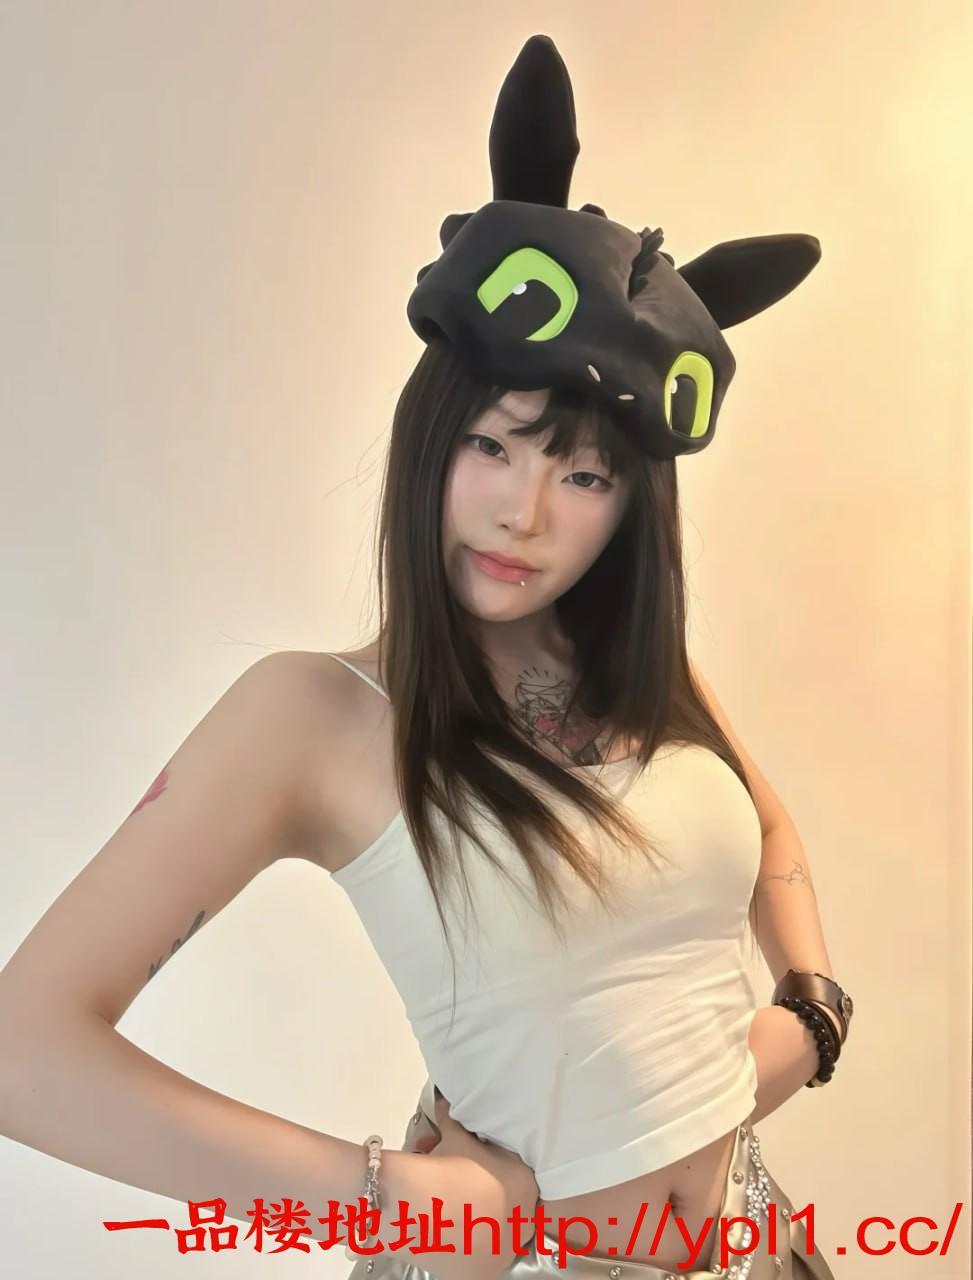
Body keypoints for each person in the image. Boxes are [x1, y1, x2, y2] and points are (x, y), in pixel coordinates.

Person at [0, 32, 852, 1280]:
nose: (523, 513)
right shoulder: (317, 714)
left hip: (760, 1240)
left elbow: (765, 827)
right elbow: (23, 1049)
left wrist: (811, 1008)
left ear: (633, 507)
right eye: (493, 445)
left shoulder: (642, 673)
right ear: (428, 437)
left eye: (584, 475)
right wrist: (392, 1197)